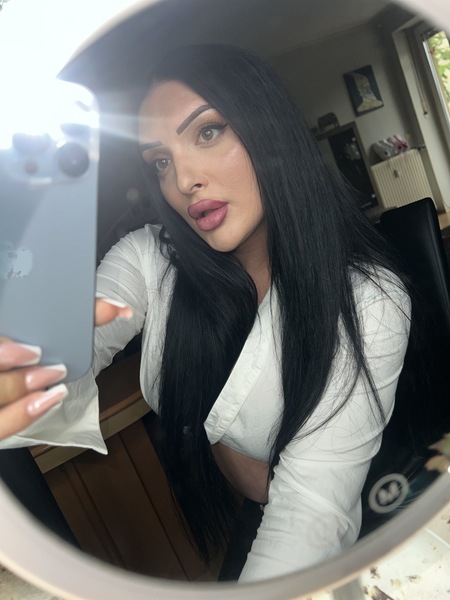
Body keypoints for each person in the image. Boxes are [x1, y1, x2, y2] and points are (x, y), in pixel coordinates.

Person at [0, 44, 411, 583]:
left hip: (369, 532)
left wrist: (269, 479)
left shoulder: (368, 300)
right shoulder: (151, 258)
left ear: (269, 129)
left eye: (208, 131)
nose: (182, 180)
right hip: (261, 522)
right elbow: (56, 351)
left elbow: (311, 511)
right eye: (160, 161)